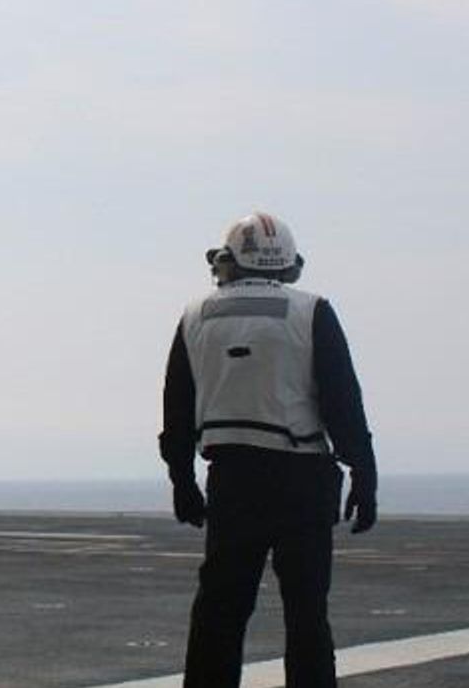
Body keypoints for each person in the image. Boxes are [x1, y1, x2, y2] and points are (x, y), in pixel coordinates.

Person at [159, 212, 377, 688]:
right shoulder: (311, 310)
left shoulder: (196, 315)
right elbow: (343, 403)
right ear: (290, 266)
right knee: (306, 617)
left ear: (228, 260)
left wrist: (182, 482)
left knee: (219, 612)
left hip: (233, 480)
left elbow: (176, 411)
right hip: (303, 479)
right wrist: (365, 474)